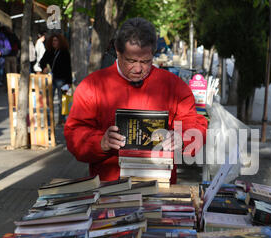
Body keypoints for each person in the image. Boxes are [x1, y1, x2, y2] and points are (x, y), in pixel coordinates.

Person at [64, 17, 208, 183]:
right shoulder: (93, 86)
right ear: (118, 53)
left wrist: (181, 138)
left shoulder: (174, 86)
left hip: (160, 185)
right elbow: (75, 133)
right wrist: (101, 142)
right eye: (131, 61)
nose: (138, 69)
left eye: (145, 61)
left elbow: (196, 125)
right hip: (109, 185)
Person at [38, 33, 72, 125]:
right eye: (53, 40)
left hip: (63, 80)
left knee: (63, 101)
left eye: (56, 40)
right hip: (51, 80)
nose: (54, 42)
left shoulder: (65, 52)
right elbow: (41, 62)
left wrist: (69, 82)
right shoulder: (49, 51)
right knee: (49, 101)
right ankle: (49, 120)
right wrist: (44, 67)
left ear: (60, 41)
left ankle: (62, 119)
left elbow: (69, 68)